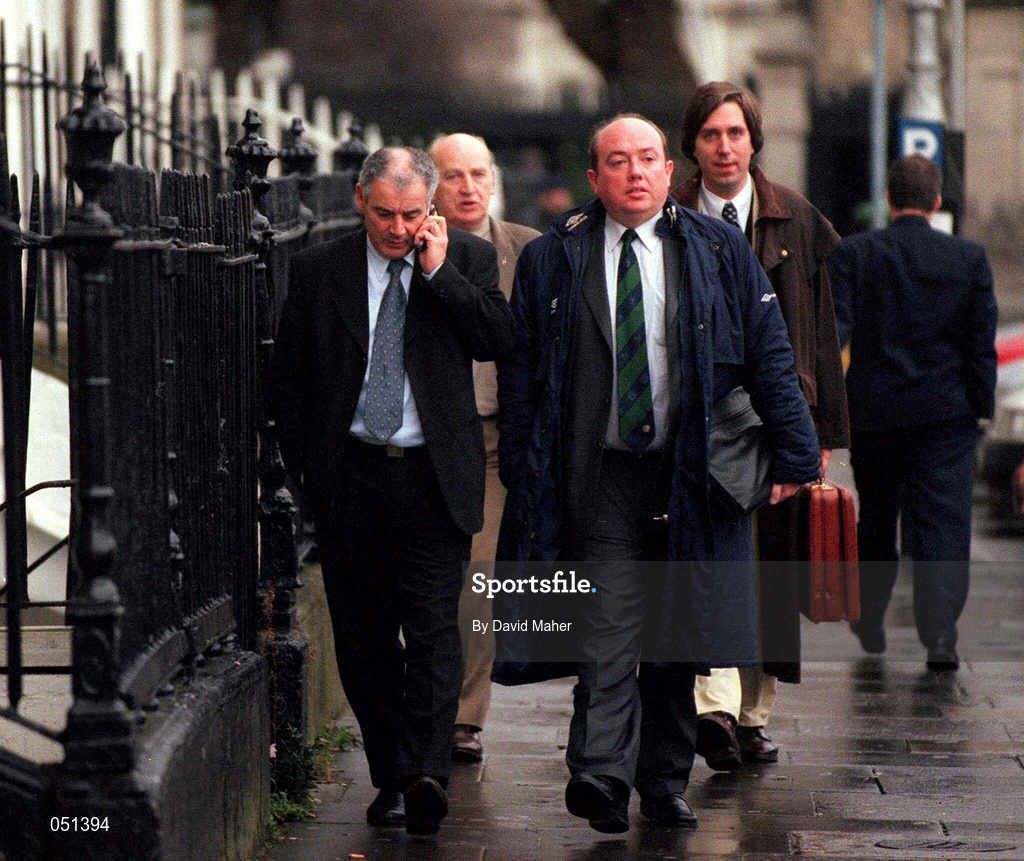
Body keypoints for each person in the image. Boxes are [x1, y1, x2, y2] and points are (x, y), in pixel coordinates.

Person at [497, 114, 820, 833]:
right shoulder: (557, 256)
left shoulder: (717, 248)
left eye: (648, 158)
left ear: (670, 171)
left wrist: (797, 452)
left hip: (692, 473)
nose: (636, 172)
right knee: (608, 625)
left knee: (680, 634)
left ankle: (664, 782)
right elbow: (523, 373)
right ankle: (601, 774)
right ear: (595, 178)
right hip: (601, 475)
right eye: (619, 161)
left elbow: (767, 350)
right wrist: (526, 466)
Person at [269, 146, 515, 835]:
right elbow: (288, 378)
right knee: (365, 634)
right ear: (358, 200)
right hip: (352, 475)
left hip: (433, 476)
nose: (398, 228)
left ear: (430, 209)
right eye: (384, 213)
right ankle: (392, 774)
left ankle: (427, 772)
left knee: (437, 627)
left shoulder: (461, 259)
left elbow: (498, 336)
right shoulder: (321, 271)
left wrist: (436, 275)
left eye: (412, 214)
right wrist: (309, 470)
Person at [673, 82, 850, 769]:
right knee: (707, 553)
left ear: (754, 142)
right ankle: (709, 703)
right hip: (701, 418)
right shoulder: (672, 213)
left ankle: (752, 713)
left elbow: (822, 329)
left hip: (781, 419)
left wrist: (822, 437)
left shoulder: (796, 219)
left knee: (772, 564)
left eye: (736, 134)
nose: (724, 147)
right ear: (692, 143)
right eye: (712, 134)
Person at [829, 154, 997, 671]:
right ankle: (940, 636)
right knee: (942, 525)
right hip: (946, 417)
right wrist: (981, 408)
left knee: (877, 519)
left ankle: (871, 620)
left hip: (875, 414)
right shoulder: (968, 259)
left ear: (888, 199)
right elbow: (980, 345)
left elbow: (834, 334)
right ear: (937, 202)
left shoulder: (856, 254)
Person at [428, 132, 541, 763]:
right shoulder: (412, 246)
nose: (468, 188)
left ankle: (463, 718)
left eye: (478, 174)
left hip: (495, 440)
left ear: (493, 180)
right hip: (423, 437)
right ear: (432, 183)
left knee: (477, 582)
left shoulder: (529, 250)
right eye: (453, 176)